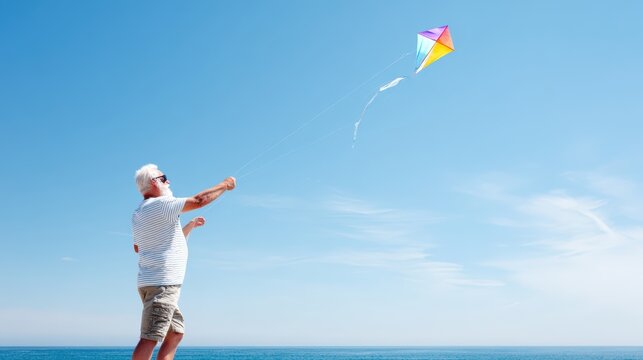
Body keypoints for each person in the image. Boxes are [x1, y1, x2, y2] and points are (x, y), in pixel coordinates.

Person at [131, 164, 236, 360]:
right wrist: (224, 184)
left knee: (176, 332)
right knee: (150, 337)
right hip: (162, 285)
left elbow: (143, 246)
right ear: (154, 182)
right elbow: (199, 200)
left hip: (152, 283)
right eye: (164, 178)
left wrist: (189, 227)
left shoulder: (139, 213)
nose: (168, 182)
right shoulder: (162, 204)